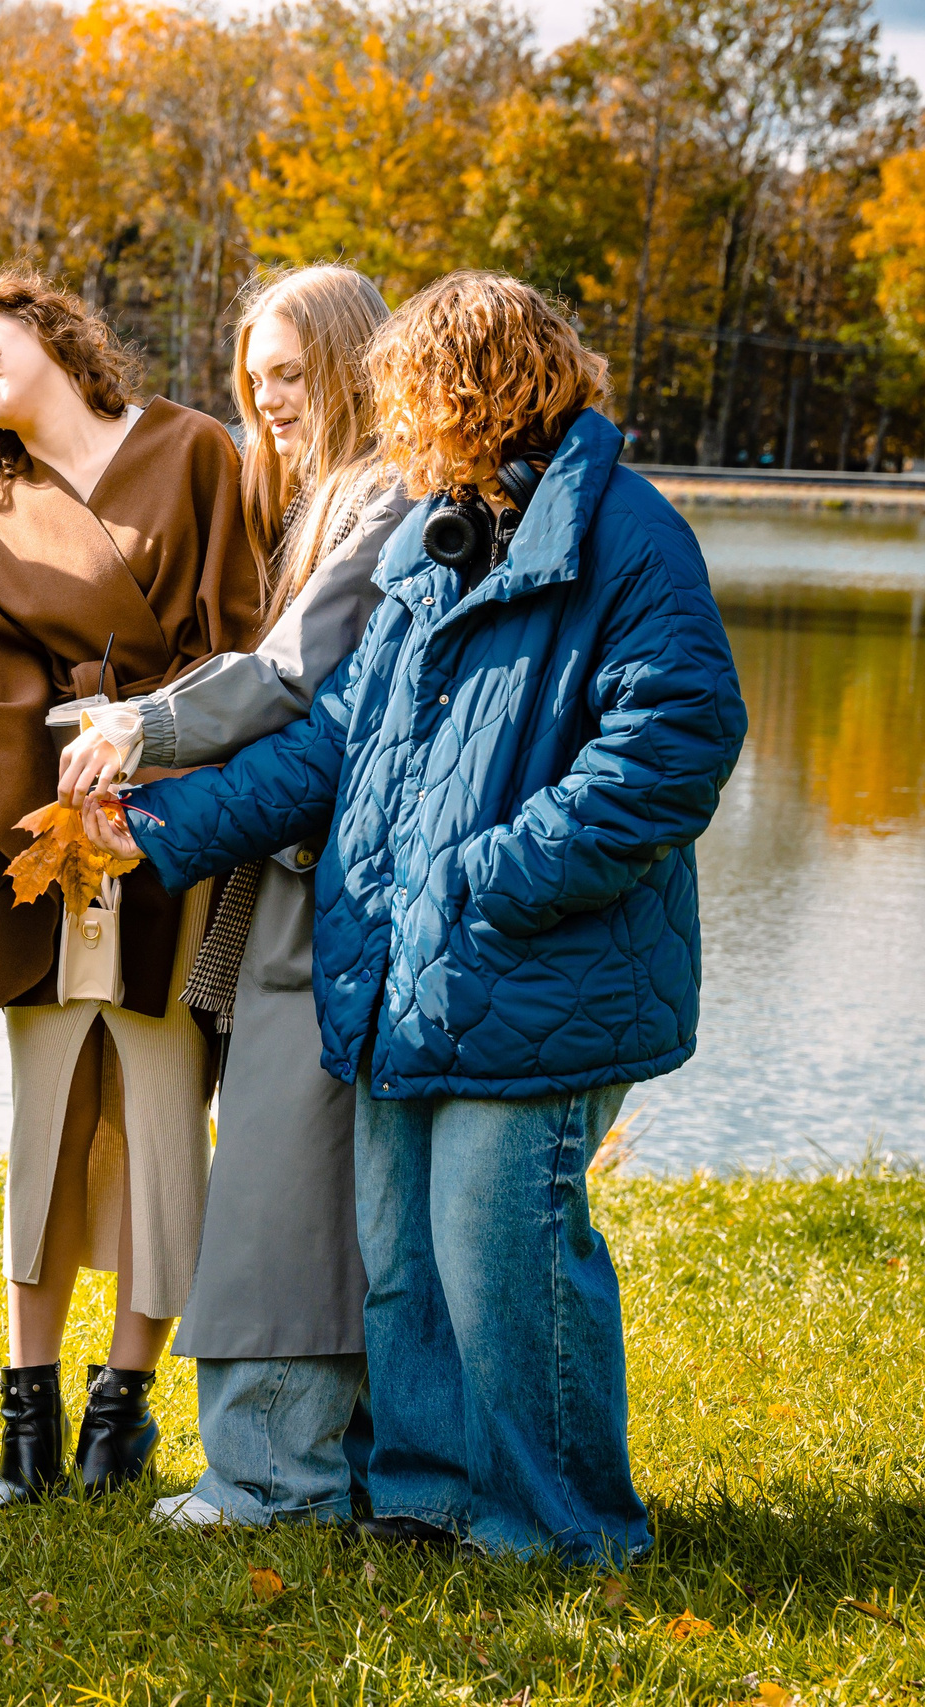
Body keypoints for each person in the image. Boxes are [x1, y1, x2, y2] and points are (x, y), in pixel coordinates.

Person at [89, 272, 748, 1563]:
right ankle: (429, 1499)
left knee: (508, 1266)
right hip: (407, 977)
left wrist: (481, 877)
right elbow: (336, 739)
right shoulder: (440, 532)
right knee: (406, 1264)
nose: (391, 428)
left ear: (474, 391)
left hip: (536, 967)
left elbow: (674, 743)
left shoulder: (625, 532)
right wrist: (165, 824)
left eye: (409, 400)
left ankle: (564, 1527)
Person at [0, 269, 263, 1503]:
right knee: (42, 1128)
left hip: (173, 827)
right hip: (41, 836)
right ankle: (25, 1419)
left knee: (156, 1124)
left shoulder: (193, 451)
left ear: (41, 325)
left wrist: (150, 741)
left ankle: (118, 1410)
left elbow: (240, 633)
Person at [57, 263, 412, 1529]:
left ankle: (271, 1476)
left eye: (290, 375)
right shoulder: (331, 498)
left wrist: (140, 729)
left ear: (355, 364)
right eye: (252, 379)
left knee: (277, 1177)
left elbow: (285, 682)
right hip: (305, 870)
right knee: (311, 1177)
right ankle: (332, 1464)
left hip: (328, 883)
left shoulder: (381, 501)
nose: (268, 403)